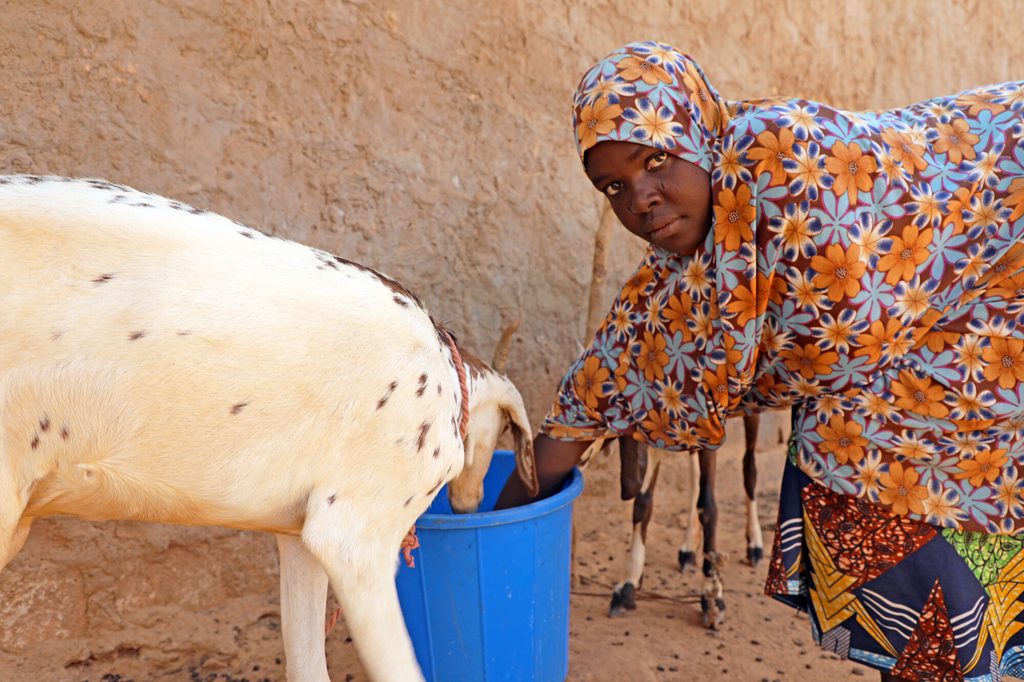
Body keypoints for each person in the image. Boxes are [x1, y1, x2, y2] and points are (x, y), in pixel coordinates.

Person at [495, 40, 1024, 681]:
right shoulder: (683, 275)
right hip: (885, 455)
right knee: (929, 650)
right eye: (614, 185)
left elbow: (844, 335)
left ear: (699, 132)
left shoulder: (796, 166)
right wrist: (481, 537)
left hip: (985, 393)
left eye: (656, 158)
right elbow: (595, 389)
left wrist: (713, 379)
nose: (640, 199)